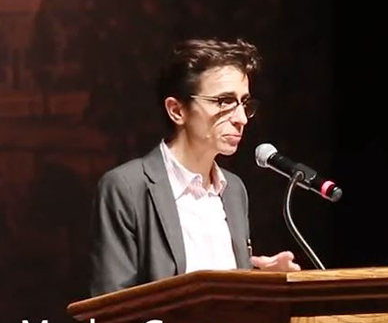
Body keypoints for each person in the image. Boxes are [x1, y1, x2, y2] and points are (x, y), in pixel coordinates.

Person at [90, 38, 300, 297]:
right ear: (177, 110)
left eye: (244, 103)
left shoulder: (234, 190)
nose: (241, 118)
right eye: (224, 102)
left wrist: (257, 281)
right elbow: (110, 309)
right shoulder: (127, 187)